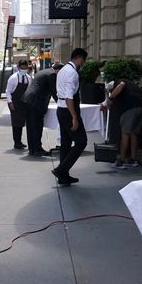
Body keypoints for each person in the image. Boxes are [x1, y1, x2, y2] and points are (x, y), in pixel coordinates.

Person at [51, 48, 88, 185]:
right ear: (80, 58)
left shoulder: (63, 70)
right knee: (81, 141)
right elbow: (68, 96)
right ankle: (61, 170)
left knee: (66, 143)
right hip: (68, 110)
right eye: (84, 60)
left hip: (61, 109)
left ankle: (63, 176)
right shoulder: (72, 73)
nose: (83, 63)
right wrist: (74, 117)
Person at [101, 78, 142, 168]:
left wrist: (110, 98)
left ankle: (121, 160)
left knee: (125, 134)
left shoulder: (120, 82)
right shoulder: (131, 85)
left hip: (131, 109)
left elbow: (121, 85)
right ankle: (133, 159)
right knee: (134, 134)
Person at [21, 61, 60, 157]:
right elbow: (54, 91)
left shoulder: (43, 72)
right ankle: (37, 149)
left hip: (27, 100)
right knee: (37, 126)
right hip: (36, 102)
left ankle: (32, 149)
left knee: (30, 126)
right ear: (58, 71)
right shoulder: (52, 75)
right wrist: (61, 103)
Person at [5, 59, 32, 150]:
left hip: (24, 103)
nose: (24, 70)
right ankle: (16, 142)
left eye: (25, 68)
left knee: (21, 123)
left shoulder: (28, 78)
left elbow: (29, 91)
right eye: (22, 68)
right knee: (16, 123)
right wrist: (10, 102)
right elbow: (8, 91)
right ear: (18, 68)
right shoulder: (13, 78)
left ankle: (19, 141)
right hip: (14, 102)